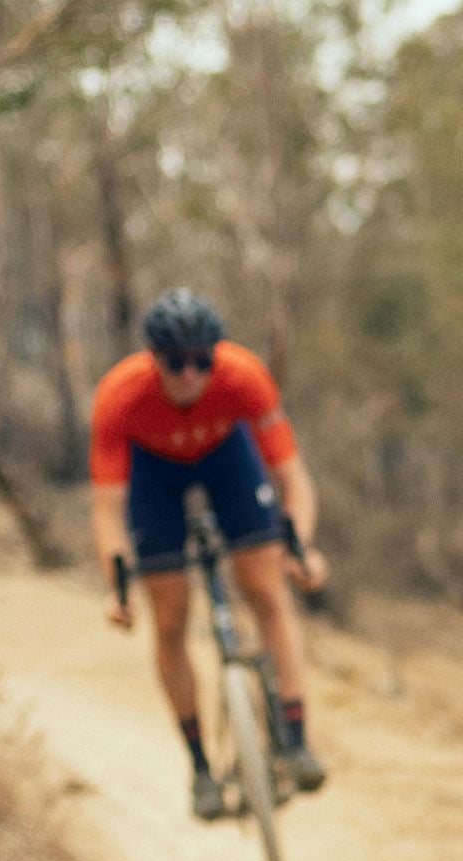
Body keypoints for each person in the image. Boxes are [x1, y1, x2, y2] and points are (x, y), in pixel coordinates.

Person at [88, 290, 331, 818]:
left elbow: (292, 475)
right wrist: (116, 587)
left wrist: (302, 547)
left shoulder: (243, 377)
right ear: (154, 359)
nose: (191, 375)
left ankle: (296, 736)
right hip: (156, 473)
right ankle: (200, 767)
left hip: (227, 458)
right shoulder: (120, 397)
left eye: (203, 360)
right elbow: (107, 508)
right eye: (176, 363)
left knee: (267, 594)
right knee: (170, 620)